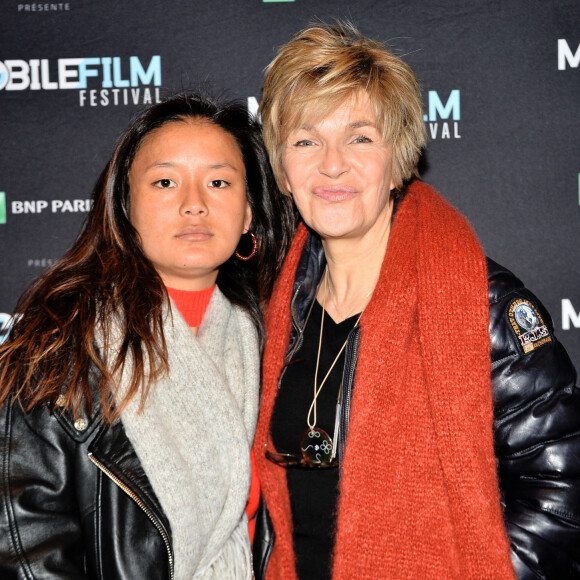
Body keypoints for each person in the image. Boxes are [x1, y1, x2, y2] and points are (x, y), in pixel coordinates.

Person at [252, 23, 580, 580]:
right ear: (283, 168)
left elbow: (564, 497)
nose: (332, 163)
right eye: (306, 140)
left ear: (398, 157)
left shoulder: (486, 307)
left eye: (359, 137)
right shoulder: (274, 314)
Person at [0, 93, 294, 579]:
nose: (194, 204)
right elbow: (27, 550)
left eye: (219, 182)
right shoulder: (60, 351)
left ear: (246, 214)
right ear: (126, 207)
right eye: (165, 182)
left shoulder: (274, 348)